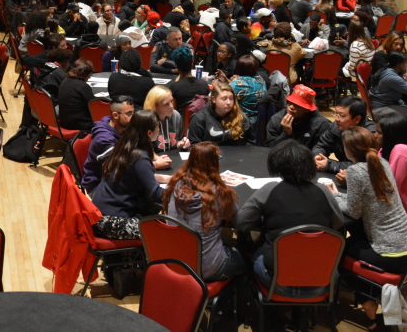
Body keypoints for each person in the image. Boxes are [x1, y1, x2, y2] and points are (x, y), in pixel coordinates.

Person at [329, 127, 407, 329]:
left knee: (339, 251)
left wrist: (333, 195)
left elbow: (353, 212)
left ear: (348, 150)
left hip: (390, 252)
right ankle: (376, 298)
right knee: (354, 242)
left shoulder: (355, 171)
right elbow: (368, 201)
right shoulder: (382, 163)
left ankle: (370, 311)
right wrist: (340, 194)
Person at [235, 140, 343, 289]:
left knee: (250, 252)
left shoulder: (269, 189)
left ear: (277, 167)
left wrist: (266, 222)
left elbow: (241, 222)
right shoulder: (323, 190)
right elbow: (337, 223)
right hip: (322, 274)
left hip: (276, 277)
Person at [163, 141, 246, 281]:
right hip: (207, 268)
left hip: (176, 262)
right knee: (245, 258)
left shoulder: (175, 185)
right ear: (214, 163)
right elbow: (235, 216)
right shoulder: (219, 192)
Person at [90, 109, 167, 240]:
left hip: (98, 214)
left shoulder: (122, 146)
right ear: (149, 133)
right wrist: (181, 192)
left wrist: (167, 179)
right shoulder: (140, 157)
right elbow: (156, 194)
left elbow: (136, 177)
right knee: (160, 230)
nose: (159, 130)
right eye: (158, 127)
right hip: (111, 221)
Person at [82, 96, 138, 193]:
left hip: (115, 178)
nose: (133, 118)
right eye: (129, 114)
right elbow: (122, 166)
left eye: (133, 113)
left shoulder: (123, 127)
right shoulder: (104, 140)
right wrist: (155, 165)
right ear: (115, 115)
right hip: (98, 186)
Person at [312, 96, 377, 178]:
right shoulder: (337, 126)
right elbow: (322, 145)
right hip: (341, 172)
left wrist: (329, 165)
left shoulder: (369, 134)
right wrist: (317, 156)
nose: (336, 119)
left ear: (357, 119)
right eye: (335, 113)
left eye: (342, 116)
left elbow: (363, 166)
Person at [265, 84, 328, 149]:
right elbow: (269, 148)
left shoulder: (320, 124)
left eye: (297, 105)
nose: (291, 107)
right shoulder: (277, 119)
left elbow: (320, 150)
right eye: (290, 102)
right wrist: (286, 134)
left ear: (307, 109)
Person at [368, 51, 407, 118]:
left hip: (381, 104)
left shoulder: (386, 70)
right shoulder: (393, 78)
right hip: (380, 108)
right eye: (406, 63)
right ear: (400, 64)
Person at [55, 58, 97, 131]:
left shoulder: (64, 81)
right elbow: (94, 108)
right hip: (80, 125)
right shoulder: (83, 87)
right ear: (88, 74)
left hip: (65, 122)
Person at [144, 85, 189, 152]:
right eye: (166, 104)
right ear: (155, 107)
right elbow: (143, 151)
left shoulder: (176, 116)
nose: (171, 106)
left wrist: (181, 143)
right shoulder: (146, 121)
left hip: (173, 157)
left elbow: (178, 141)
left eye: (171, 101)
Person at [227, 54, 266, 128]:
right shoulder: (260, 79)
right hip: (257, 120)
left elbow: (225, 94)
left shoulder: (238, 84)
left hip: (240, 121)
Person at [167, 46, 210, 112]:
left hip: (182, 121)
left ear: (176, 66)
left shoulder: (174, 87)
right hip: (201, 121)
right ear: (192, 62)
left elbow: (172, 112)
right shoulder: (204, 84)